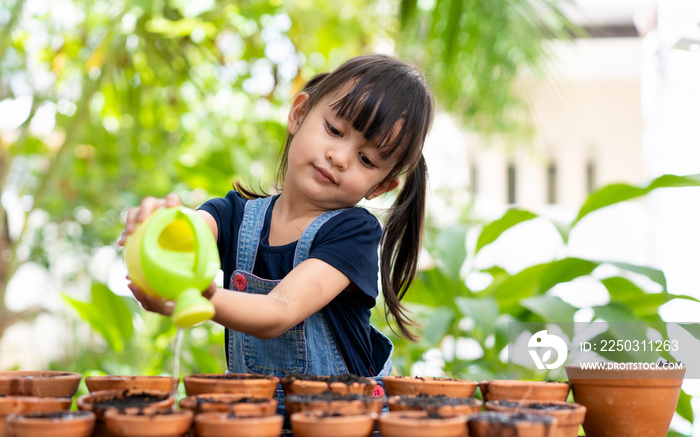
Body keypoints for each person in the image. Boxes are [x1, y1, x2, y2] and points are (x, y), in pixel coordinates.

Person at [119, 53, 434, 406]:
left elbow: (279, 311)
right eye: (334, 130)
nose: (340, 157)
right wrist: (155, 224)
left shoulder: (353, 233)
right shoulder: (232, 215)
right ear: (299, 114)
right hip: (258, 419)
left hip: (343, 423)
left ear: (380, 187)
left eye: (366, 159)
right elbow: (187, 232)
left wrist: (200, 296)